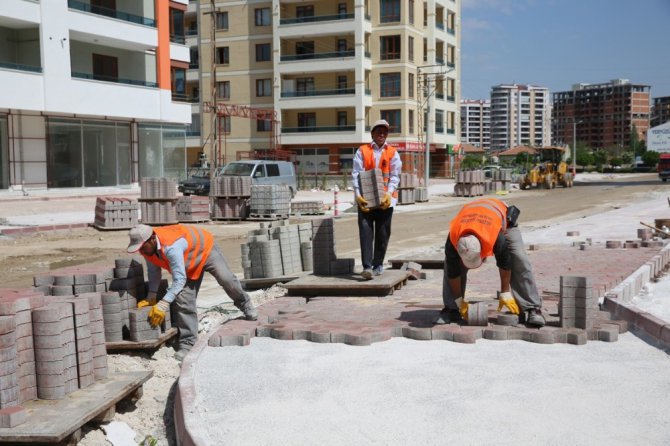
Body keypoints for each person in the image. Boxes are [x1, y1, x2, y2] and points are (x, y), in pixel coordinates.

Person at [127, 223, 258, 360]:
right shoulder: (148, 250)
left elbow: (179, 280)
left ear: (152, 239)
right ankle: (188, 343)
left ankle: (245, 304)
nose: (140, 251)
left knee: (226, 279)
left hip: (205, 251)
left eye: (142, 247)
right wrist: (151, 296)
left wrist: (164, 303)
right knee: (183, 298)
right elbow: (154, 272)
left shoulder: (171, 245)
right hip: (187, 265)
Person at [434, 197, 545, 327]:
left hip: (502, 222)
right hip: (473, 218)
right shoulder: (453, 240)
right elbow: (453, 272)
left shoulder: (496, 238)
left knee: (519, 258)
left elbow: (504, 262)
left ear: (481, 249)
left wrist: (505, 293)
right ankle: (452, 308)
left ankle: (532, 308)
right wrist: (459, 302)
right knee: (450, 264)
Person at [351, 119, 402, 280]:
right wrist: (358, 196)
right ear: (372, 133)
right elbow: (356, 174)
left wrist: (389, 193)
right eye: (379, 131)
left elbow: (395, 176)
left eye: (384, 132)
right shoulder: (362, 151)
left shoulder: (393, 152)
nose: (382, 134)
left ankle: (378, 264)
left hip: (386, 200)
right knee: (366, 232)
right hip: (366, 200)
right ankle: (367, 267)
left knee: (383, 233)